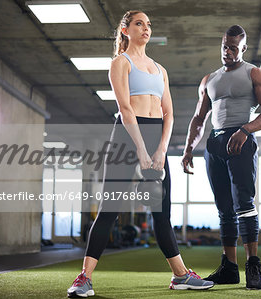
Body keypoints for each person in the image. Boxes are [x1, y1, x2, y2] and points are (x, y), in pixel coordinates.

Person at [67, 10, 214, 297]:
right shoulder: (121, 63)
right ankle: (83, 278)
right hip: (127, 137)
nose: (145, 29)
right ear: (125, 30)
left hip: (156, 137)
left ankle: (181, 275)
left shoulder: (161, 70)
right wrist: (140, 150)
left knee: (162, 213)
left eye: (148, 25)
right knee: (109, 211)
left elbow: (169, 114)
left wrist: (160, 150)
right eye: (138, 24)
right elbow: (125, 109)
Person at [181, 25, 261, 290]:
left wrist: (246, 130)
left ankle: (253, 266)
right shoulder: (209, 79)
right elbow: (199, 118)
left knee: (244, 203)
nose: (227, 51)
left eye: (233, 47)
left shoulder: (255, 74)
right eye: (224, 46)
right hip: (215, 144)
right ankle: (229, 267)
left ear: (243, 48)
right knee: (224, 208)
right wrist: (189, 148)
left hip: (241, 141)